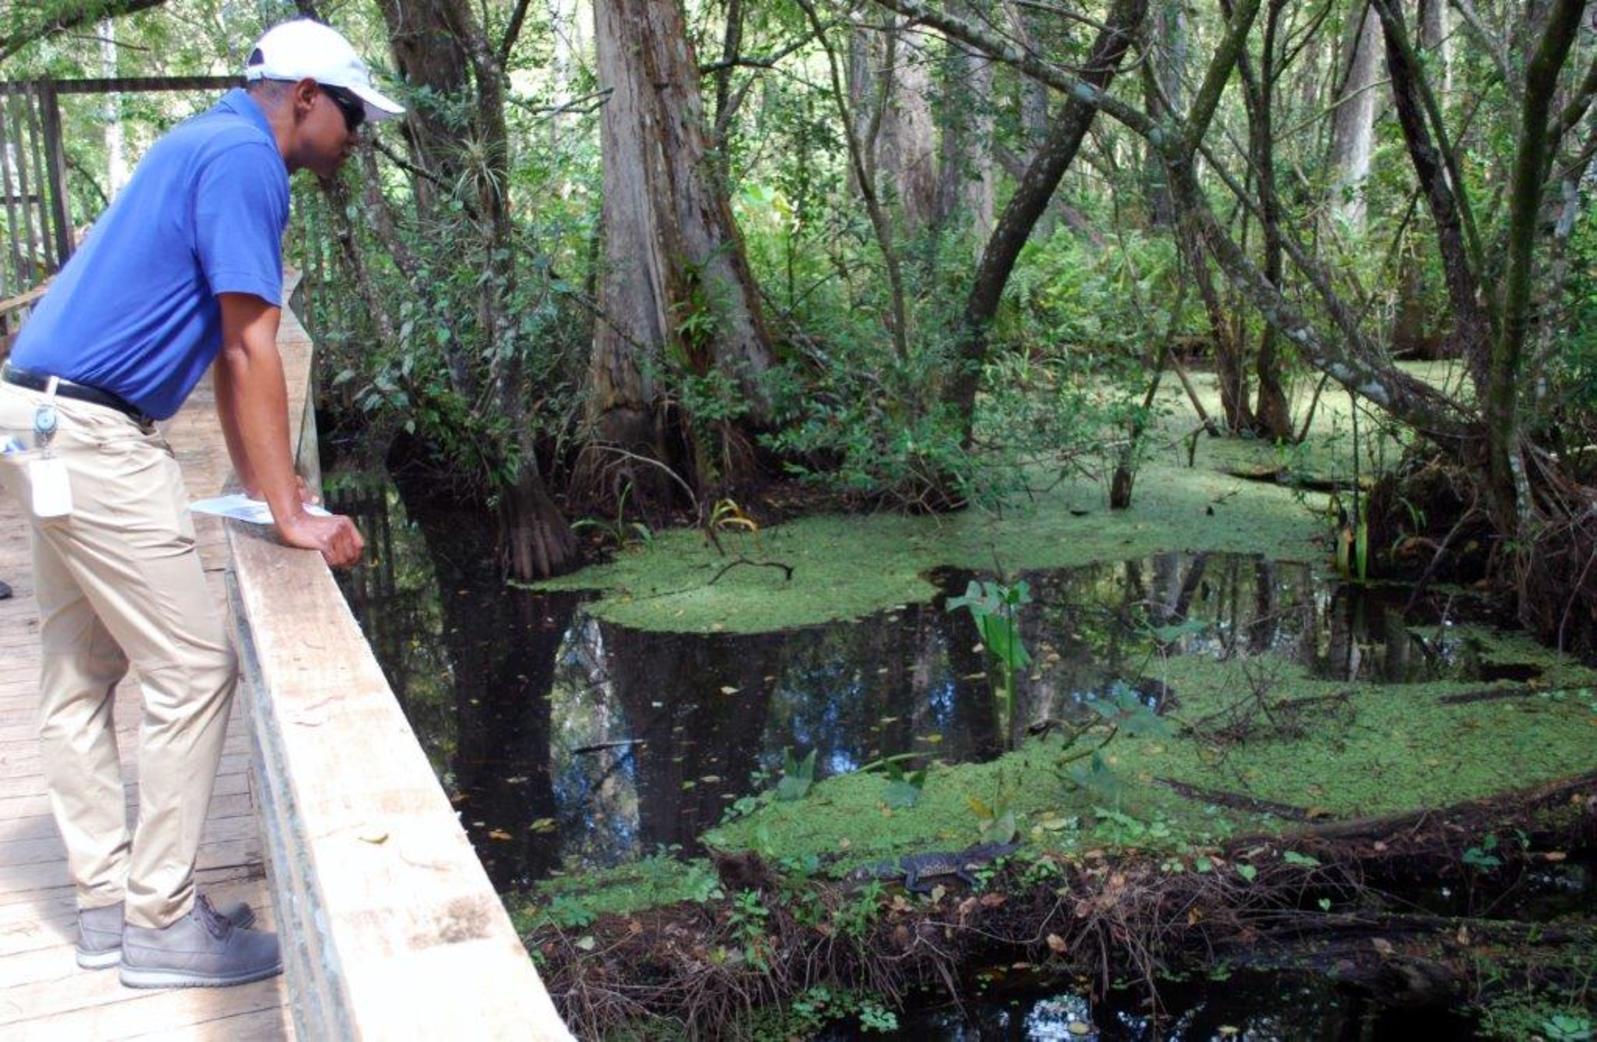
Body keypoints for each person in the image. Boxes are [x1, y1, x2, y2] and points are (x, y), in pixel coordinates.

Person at [0, 19, 401, 989]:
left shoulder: (201, 138)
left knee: (79, 669)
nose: (356, 135)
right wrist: (294, 518)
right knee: (190, 669)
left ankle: (105, 908)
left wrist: (277, 488)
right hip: (94, 435)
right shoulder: (245, 160)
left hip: (34, 411)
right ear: (304, 95)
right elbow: (251, 348)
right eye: (351, 113)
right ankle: (161, 923)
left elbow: (233, 348)